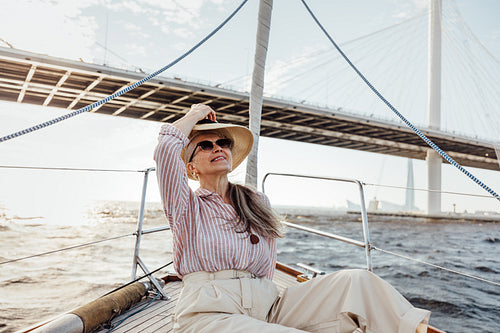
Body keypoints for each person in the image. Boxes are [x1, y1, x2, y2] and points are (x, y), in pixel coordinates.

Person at [154, 103, 430, 333]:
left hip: (269, 305)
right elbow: (166, 148)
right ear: (190, 167)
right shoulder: (186, 206)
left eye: (223, 142)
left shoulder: (256, 202)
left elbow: (265, 269)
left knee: (359, 282)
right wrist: (193, 115)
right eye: (205, 145)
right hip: (210, 312)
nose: (218, 147)